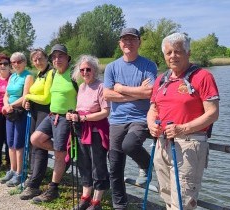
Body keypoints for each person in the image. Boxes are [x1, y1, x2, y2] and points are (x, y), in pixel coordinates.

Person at [147, 32, 219, 210]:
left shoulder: (203, 77)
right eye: (169, 52)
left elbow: (213, 113)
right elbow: (153, 109)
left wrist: (182, 128)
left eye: (178, 51)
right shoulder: (161, 80)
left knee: (182, 202)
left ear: (188, 53)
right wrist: (151, 125)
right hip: (162, 143)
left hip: (189, 144)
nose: (173, 56)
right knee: (166, 195)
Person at [103, 28, 157, 209]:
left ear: (139, 42)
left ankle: (148, 166)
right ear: (120, 44)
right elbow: (107, 95)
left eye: (132, 39)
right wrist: (136, 93)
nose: (128, 43)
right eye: (124, 40)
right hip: (117, 120)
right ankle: (120, 205)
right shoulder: (111, 67)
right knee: (115, 166)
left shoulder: (149, 66)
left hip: (141, 118)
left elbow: (150, 92)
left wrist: (120, 87)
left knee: (130, 145)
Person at [30, 44, 77, 203]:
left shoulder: (75, 74)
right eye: (54, 57)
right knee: (36, 139)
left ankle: (52, 189)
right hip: (52, 116)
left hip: (66, 118)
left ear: (67, 57)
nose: (57, 59)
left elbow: (86, 92)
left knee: (58, 154)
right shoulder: (54, 73)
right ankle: (63, 154)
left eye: (61, 56)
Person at [66, 55, 110, 210]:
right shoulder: (82, 87)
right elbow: (80, 109)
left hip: (96, 131)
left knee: (97, 165)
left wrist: (83, 118)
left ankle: (96, 202)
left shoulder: (101, 87)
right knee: (83, 163)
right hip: (81, 130)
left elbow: (105, 112)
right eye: (82, 69)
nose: (85, 72)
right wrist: (72, 115)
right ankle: (85, 197)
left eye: (88, 69)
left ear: (95, 70)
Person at [19, 48, 53, 200]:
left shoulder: (51, 73)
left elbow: (46, 98)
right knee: (32, 145)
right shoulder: (39, 74)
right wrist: (28, 101)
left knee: (39, 146)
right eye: (35, 60)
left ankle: (34, 185)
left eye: (40, 58)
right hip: (35, 112)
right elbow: (36, 95)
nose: (38, 62)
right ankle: (33, 176)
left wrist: (28, 96)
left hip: (45, 111)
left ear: (47, 58)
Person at [0, 52, 33, 187]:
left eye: (19, 61)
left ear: (25, 62)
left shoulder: (28, 76)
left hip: (20, 113)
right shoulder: (12, 76)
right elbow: (6, 94)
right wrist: (6, 105)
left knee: (19, 144)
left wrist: (11, 106)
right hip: (9, 113)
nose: (16, 64)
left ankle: (20, 173)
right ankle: (12, 170)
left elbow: (25, 95)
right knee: (10, 142)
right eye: (13, 62)